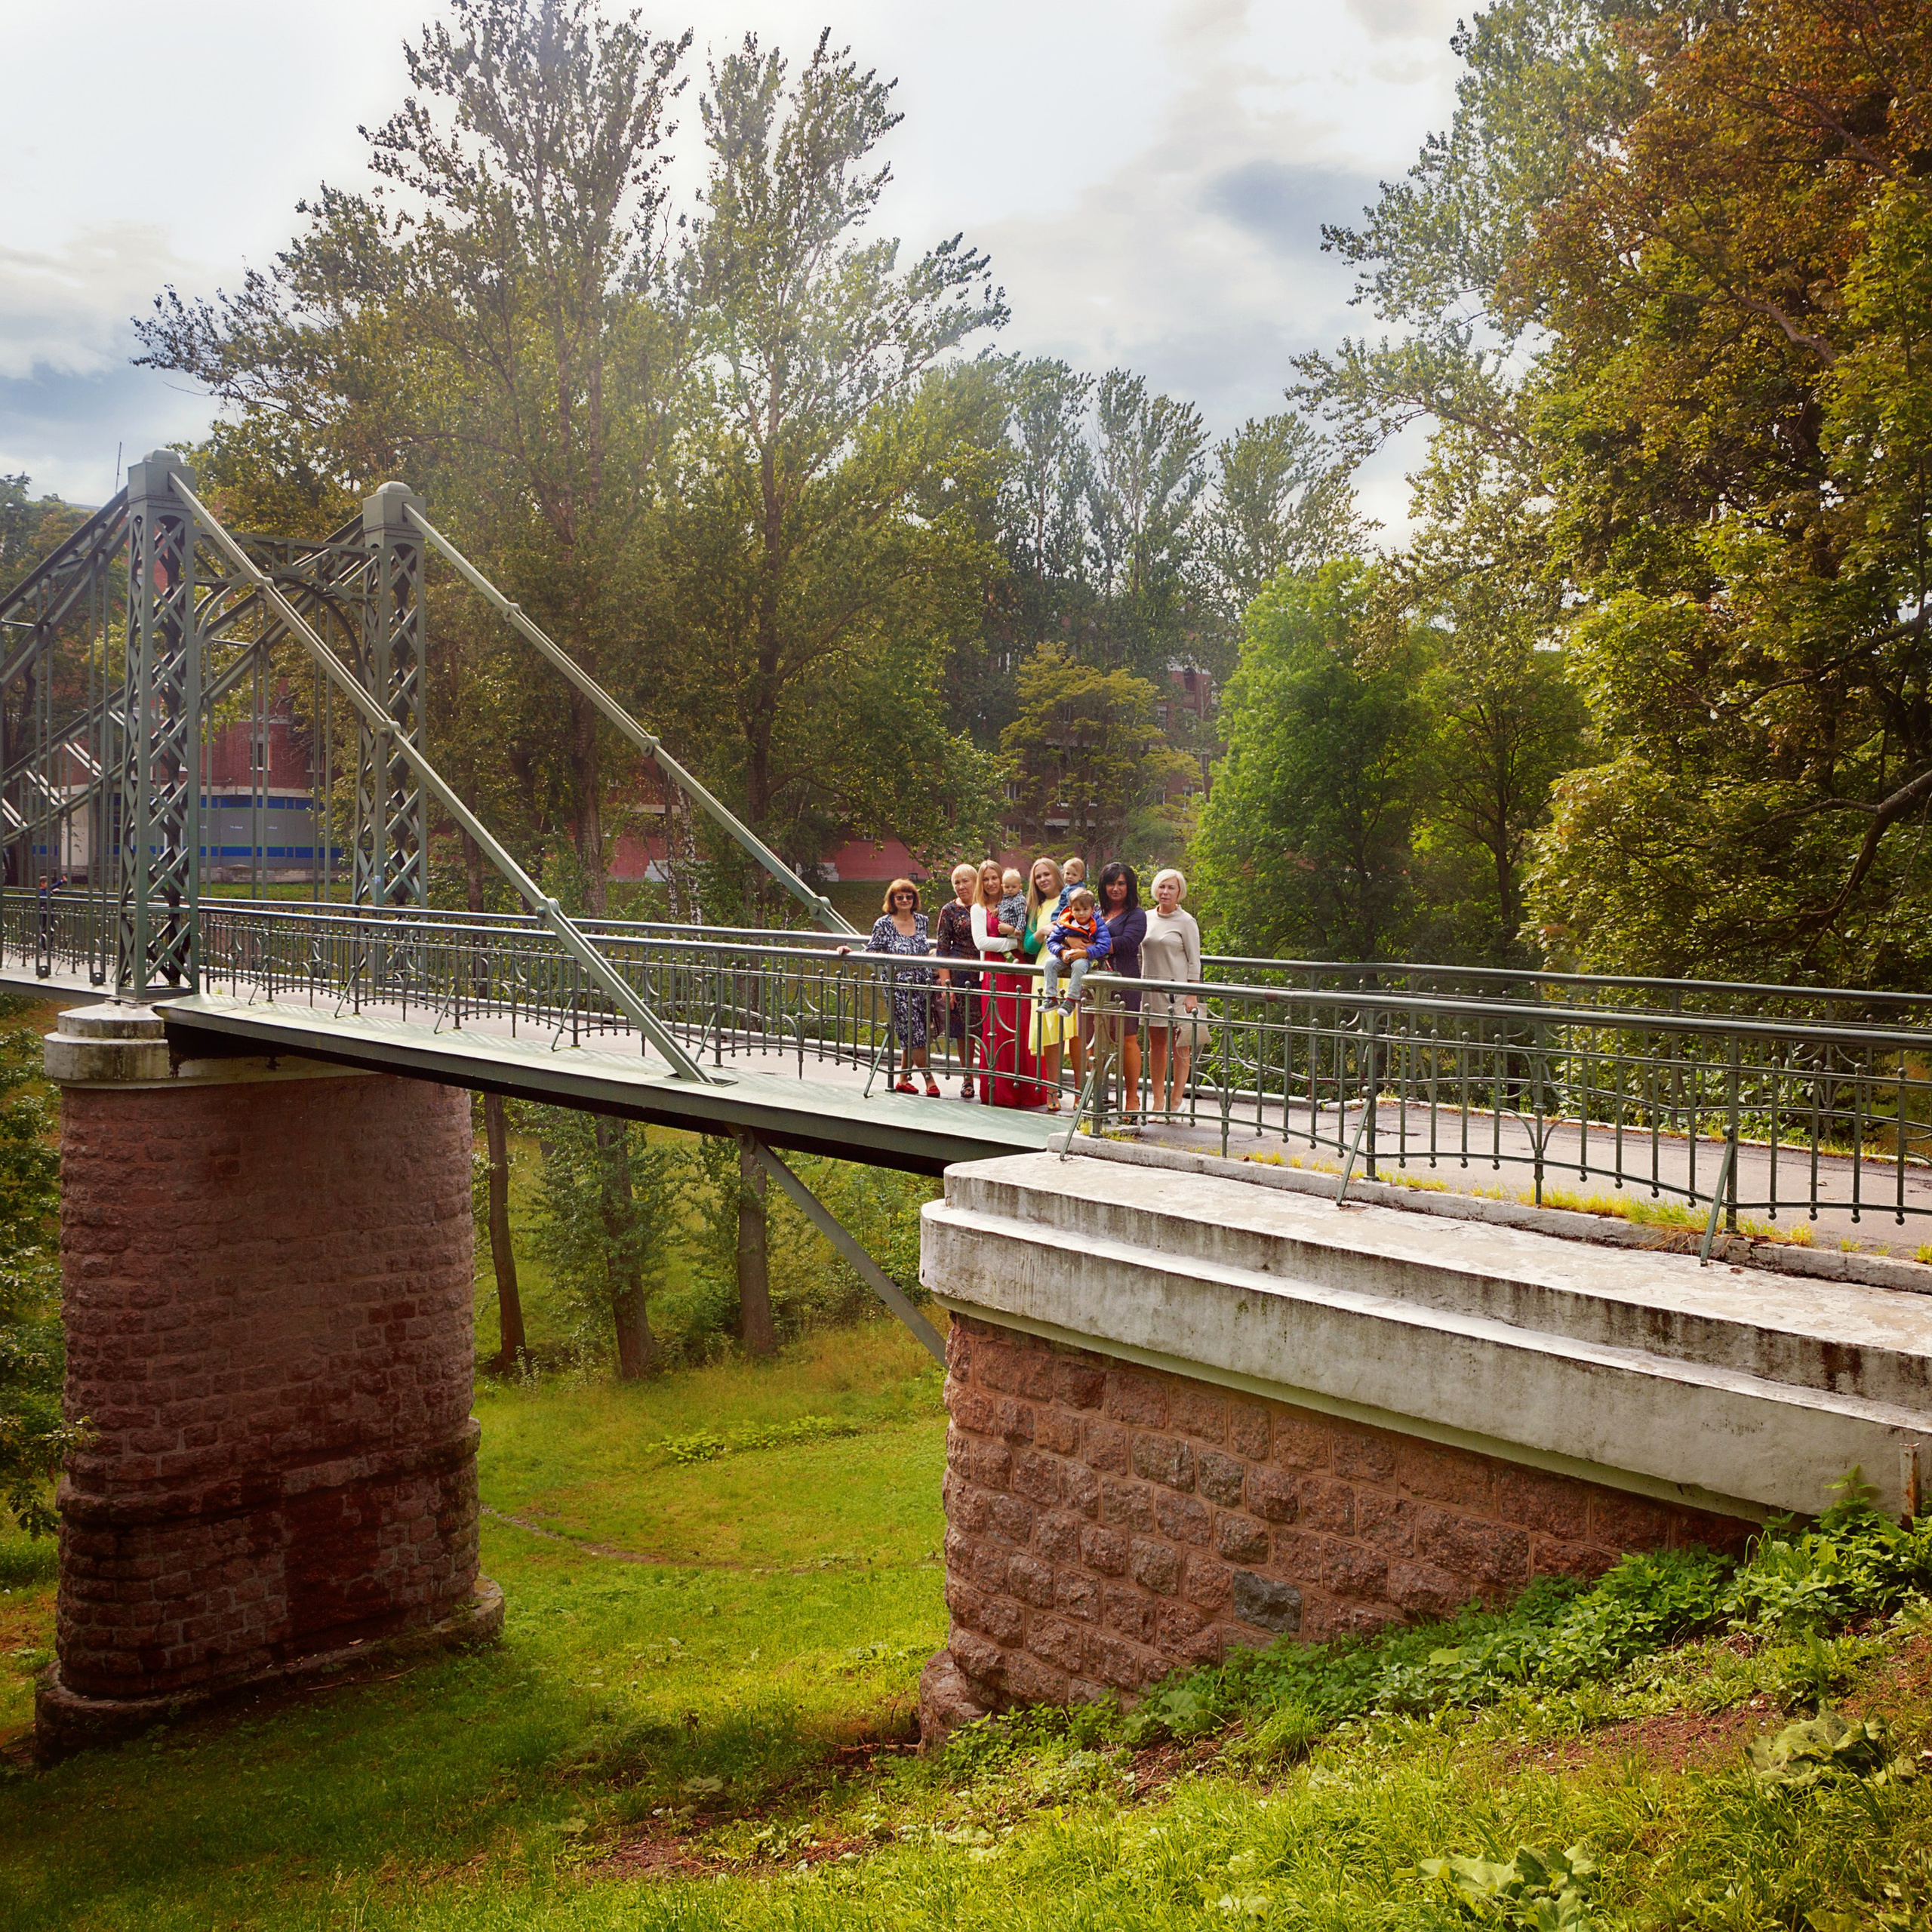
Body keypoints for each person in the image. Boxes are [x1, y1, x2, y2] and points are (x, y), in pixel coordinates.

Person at [838, 878, 938, 1096]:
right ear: (892, 900)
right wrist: (850, 954)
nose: (905, 900)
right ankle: (929, 1079)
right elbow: (872, 951)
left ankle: (902, 1079)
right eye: (899, 897)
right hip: (898, 985)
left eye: (909, 897)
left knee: (912, 1032)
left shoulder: (922, 921)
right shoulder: (884, 924)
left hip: (922, 984)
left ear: (914, 899)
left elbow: (924, 950)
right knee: (914, 1031)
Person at [971, 857, 1041, 1109]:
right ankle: (1000, 1091)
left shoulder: (1017, 902)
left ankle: (1029, 1091)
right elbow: (982, 942)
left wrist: (1018, 941)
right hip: (995, 974)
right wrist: (1014, 942)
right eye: (986, 879)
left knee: (1023, 1027)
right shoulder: (978, 909)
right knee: (998, 1029)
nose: (991, 883)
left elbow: (1029, 935)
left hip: (1020, 970)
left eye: (995, 878)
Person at [1140, 866, 1203, 1118]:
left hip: (1178, 991)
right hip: (1150, 990)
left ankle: (1176, 1100)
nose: (1165, 892)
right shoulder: (1145, 917)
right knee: (1156, 1045)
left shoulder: (1186, 921)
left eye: (1171, 888)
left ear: (1179, 892)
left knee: (1181, 1046)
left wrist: (1191, 993)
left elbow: (1195, 960)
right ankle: (1158, 1100)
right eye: (1162, 887)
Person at [1093, 860, 1146, 1121]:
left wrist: (1091, 946)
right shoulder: (1095, 911)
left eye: (1121, 883)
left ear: (1129, 886)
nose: (1115, 888)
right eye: (1111, 883)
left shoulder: (1136, 914)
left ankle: (1132, 1098)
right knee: (1096, 1040)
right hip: (1095, 984)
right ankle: (1097, 1097)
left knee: (1127, 1039)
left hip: (1125, 981)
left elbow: (1127, 942)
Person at [1019, 855, 1069, 1106]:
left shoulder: (1071, 899)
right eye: (1038, 877)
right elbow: (1028, 946)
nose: (1043, 880)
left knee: (1074, 1031)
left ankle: (1080, 1093)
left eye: (1046, 874)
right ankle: (1052, 1091)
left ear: (1056, 875)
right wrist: (1041, 931)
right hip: (1043, 970)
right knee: (1050, 1033)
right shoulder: (1036, 908)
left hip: (1068, 969)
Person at [932, 862, 983, 1098]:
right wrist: (947, 986)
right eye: (956, 882)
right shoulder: (949, 910)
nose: (961, 886)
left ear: (976, 881)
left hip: (988, 974)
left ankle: (993, 1078)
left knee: (990, 1028)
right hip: (960, 976)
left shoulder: (987, 906)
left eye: (965, 881)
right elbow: (942, 949)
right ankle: (967, 1078)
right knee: (964, 1030)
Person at [1043, 885, 1109, 1009]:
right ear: (1071, 910)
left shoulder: (1097, 924)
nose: (1081, 913)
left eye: (1085, 909)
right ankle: (1051, 997)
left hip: (1087, 959)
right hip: (1066, 956)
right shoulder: (1065, 923)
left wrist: (1086, 952)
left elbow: (1104, 945)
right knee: (1050, 963)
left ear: (1092, 909)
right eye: (1077, 909)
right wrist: (1061, 952)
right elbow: (1051, 940)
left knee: (1079, 965)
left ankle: (1071, 1000)